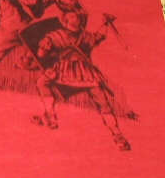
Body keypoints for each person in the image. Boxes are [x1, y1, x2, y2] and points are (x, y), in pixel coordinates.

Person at [32, 10, 131, 151]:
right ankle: (118, 137)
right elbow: (100, 36)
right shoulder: (86, 36)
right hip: (87, 74)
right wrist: (106, 24)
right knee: (103, 104)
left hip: (64, 71)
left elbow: (42, 54)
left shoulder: (55, 36)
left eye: (75, 16)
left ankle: (50, 117)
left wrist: (54, 52)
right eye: (72, 16)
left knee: (42, 83)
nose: (75, 18)